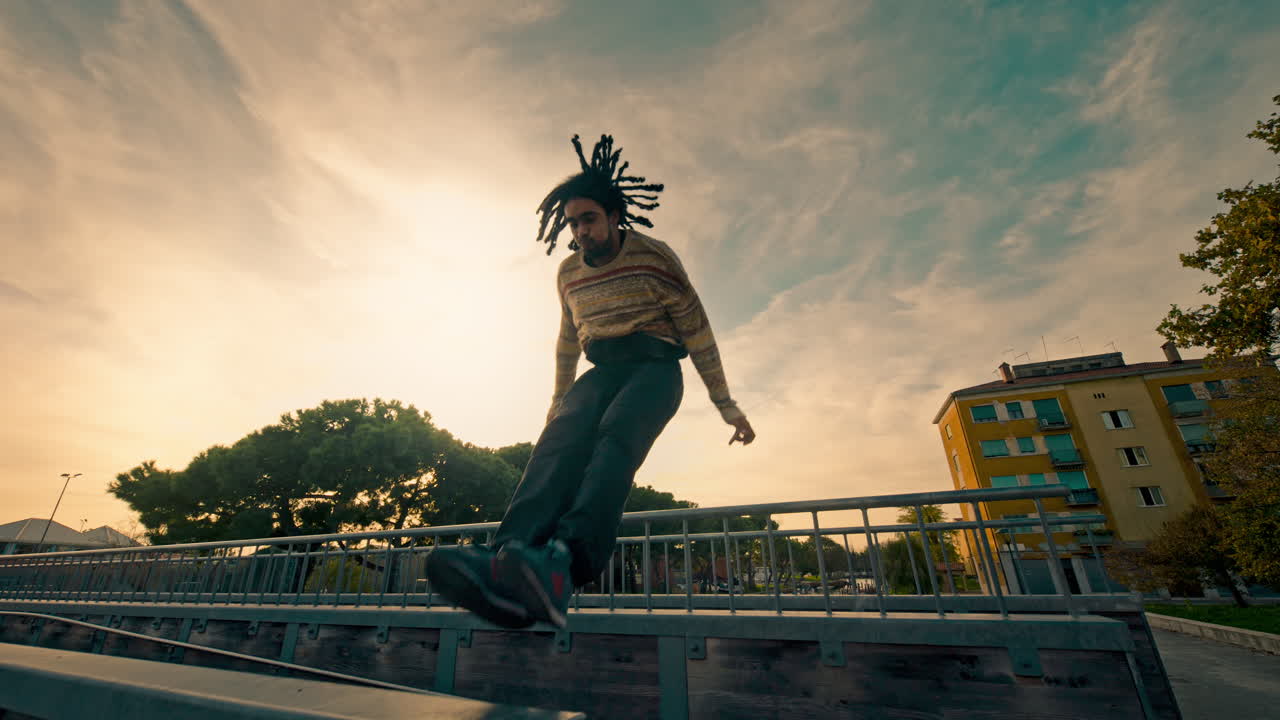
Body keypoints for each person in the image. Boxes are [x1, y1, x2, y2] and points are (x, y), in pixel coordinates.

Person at [426, 134, 755, 629]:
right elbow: (566, 341)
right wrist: (558, 401)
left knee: (614, 441)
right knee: (555, 445)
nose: (581, 232)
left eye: (590, 220)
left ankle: (562, 564)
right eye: (573, 222)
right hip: (601, 370)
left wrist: (726, 404)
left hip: (655, 369)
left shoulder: (655, 259)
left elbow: (697, 331)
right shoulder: (567, 274)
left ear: (614, 216)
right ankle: (509, 557)